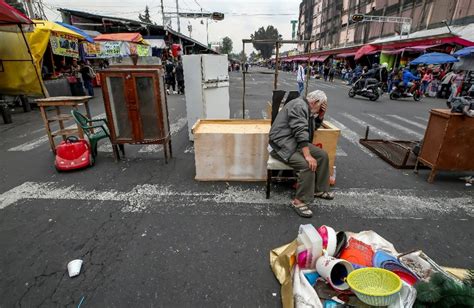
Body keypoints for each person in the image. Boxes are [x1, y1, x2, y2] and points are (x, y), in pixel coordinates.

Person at [268, 90, 334, 218]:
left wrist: (320, 116)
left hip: (293, 142)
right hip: (281, 145)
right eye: (321, 105)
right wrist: (308, 155)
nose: (321, 108)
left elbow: (310, 130)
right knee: (306, 165)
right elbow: (300, 131)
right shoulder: (299, 105)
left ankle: (319, 189)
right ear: (315, 102)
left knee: (322, 155)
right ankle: (299, 201)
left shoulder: (307, 108)